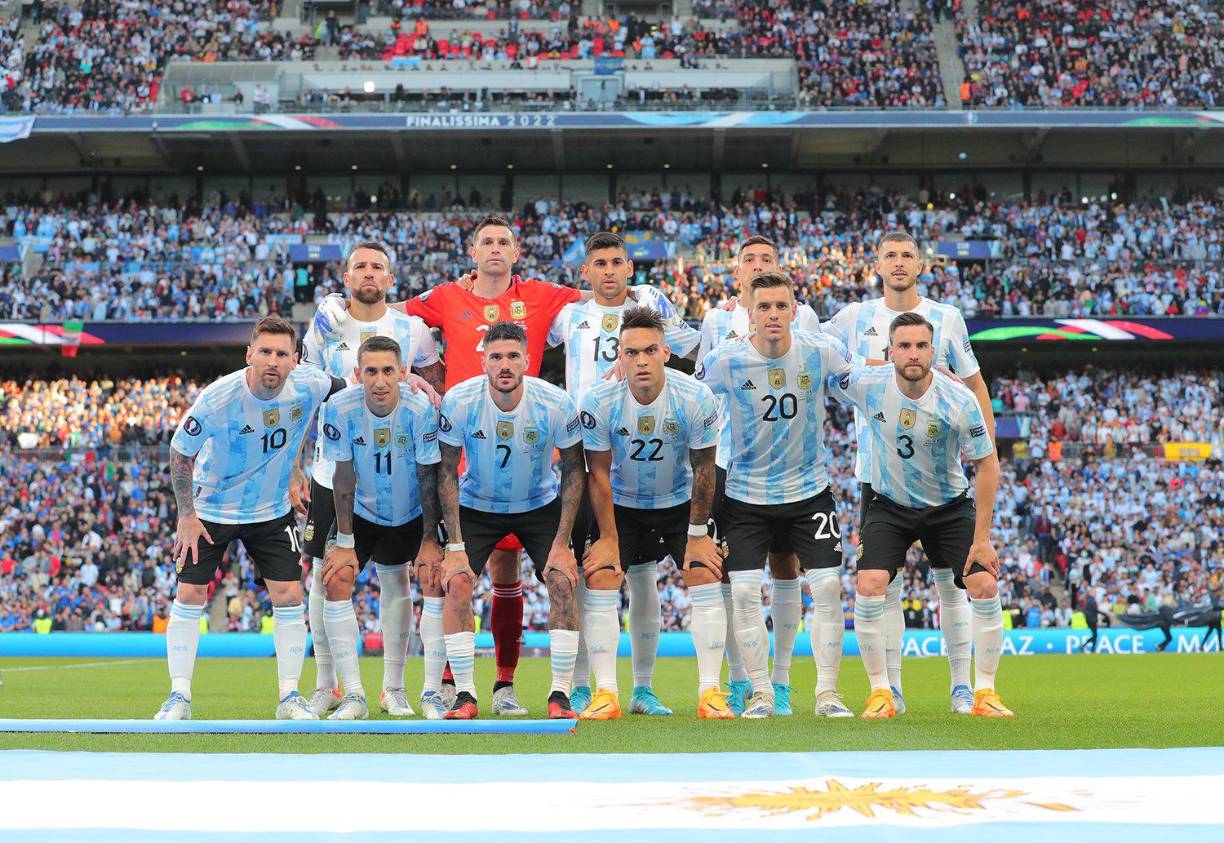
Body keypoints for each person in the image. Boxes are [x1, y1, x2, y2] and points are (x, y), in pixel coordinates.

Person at [822, 229, 996, 715]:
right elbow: (811, 341)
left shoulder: (947, 318)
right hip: (878, 474)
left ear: (921, 265)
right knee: (885, 584)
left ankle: (964, 687)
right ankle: (890, 689)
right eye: (890, 255)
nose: (899, 263)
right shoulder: (855, 317)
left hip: (941, 475)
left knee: (953, 583)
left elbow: (974, 383)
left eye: (907, 256)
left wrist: (985, 442)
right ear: (875, 265)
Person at [156, 316, 345, 721]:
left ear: (294, 360)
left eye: (281, 353)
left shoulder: (310, 383)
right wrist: (186, 515)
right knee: (189, 595)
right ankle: (179, 697)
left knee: (290, 596)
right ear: (249, 355)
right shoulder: (219, 396)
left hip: (270, 509)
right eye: (265, 352)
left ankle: (289, 697)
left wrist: (411, 383)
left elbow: (354, 391)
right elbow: (179, 451)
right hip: (211, 509)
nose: (273, 361)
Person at [696, 271, 863, 719]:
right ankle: (762, 694)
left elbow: (864, 383)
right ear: (749, 314)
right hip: (746, 496)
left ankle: (827, 694)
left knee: (827, 586)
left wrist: (922, 375)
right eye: (763, 307)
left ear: (795, 311)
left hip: (809, 492)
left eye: (781, 306)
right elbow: (688, 397)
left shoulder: (821, 352)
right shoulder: (725, 360)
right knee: (747, 593)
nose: (773, 315)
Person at [547, 231, 701, 716]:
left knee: (642, 577)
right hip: (582, 458)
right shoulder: (568, 316)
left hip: (643, 459)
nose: (609, 270)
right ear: (585, 271)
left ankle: (642, 688)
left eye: (617, 262)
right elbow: (529, 337)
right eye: (600, 263)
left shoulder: (652, 310)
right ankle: (578, 686)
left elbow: (693, 349)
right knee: (582, 575)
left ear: (630, 268)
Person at [301, 241, 444, 719]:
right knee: (324, 580)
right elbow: (302, 397)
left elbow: (432, 392)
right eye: (359, 265)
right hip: (333, 470)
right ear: (346, 277)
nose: (368, 273)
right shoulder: (325, 325)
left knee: (395, 576)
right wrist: (294, 470)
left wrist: (424, 384)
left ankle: (393, 688)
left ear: (390, 279)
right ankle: (327, 685)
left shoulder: (413, 329)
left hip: (399, 473)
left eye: (377, 267)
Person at [578, 306, 728, 720]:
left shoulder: (696, 397)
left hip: (680, 502)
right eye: (631, 353)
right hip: (623, 504)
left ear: (665, 352)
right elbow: (599, 474)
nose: (640, 360)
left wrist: (697, 533)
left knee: (703, 570)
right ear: (619, 356)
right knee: (602, 575)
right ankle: (606, 693)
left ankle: (710, 692)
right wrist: (608, 538)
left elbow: (704, 468)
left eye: (649, 351)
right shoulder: (599, 400)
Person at [436, 321, 586, 719]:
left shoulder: (555, 402)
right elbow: (447, 471)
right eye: (497, 357)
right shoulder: (459, 400)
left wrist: (562, 542)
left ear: (528, 360)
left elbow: (575, 470)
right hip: (477, 503)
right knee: (457, 581)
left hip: (537, 504)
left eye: (513, 356)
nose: (505, 365)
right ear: (483, 361)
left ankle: (560, 696)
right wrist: (453, 546)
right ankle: (465, 696)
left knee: (561, 579)